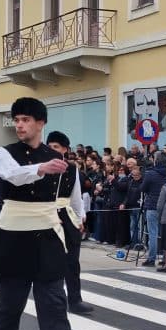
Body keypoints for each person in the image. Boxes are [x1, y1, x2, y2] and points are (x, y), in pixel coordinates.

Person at [0, 96, 95, 330]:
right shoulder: (5, 153)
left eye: (25, 120)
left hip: (47, 238)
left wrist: (79, 218)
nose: (19, 125)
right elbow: (11, 175)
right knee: (9, 308)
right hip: (13, 238)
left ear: (40, 123)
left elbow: (72, 195)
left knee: (55, 310)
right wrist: (41, 168)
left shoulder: (57, 158)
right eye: (16, 120)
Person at [46, 131, 94, 315]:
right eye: (49, 147)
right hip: (46, 215)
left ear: (65, 150)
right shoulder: (41, 167)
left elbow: (76, 196)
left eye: (56, 147)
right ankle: (51, 300)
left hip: (67, 215)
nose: (52, 150)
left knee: (72, 261)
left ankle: (75, 300)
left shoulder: (72, 168)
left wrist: (80, 217)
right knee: (48, 261)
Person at [139, 152, 166, 266]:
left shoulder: (150, 173)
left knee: (153, 233)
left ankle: (151, 258)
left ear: (156, 161)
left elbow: (143, 188)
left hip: (152, 205)